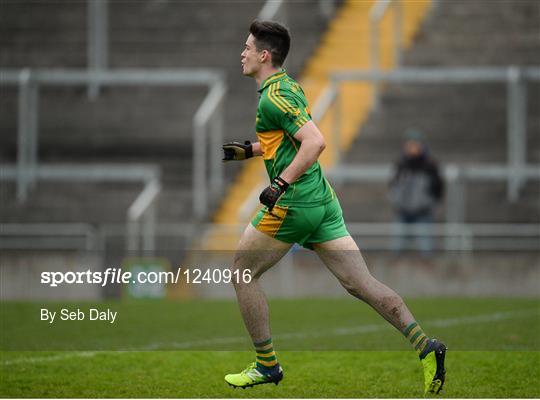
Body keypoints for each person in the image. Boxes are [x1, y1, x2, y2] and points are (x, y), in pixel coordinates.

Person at [221, 20, 446, 395]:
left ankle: (267, 365)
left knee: (242, 271)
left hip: (294, 202)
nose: (241, 54)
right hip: (322, 202)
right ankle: (427, 346)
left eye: (247, 48)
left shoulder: (271, 97)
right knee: (361, 284)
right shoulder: (287, 86)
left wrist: (279, 184)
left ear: (264, 55)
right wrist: (248, 151)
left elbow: (315, 142)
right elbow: (292, 140)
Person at [389, 131, 444, 256]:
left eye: (415, 144)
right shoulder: (400, 164)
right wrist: (397, 201)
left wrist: (429, 202)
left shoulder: (430, 165)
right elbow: (393, 185)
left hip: (423, 213)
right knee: (397, 248)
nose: (412, 148)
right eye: (410, 145)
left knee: (426, 249)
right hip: (402, 212)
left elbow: (438, 187)